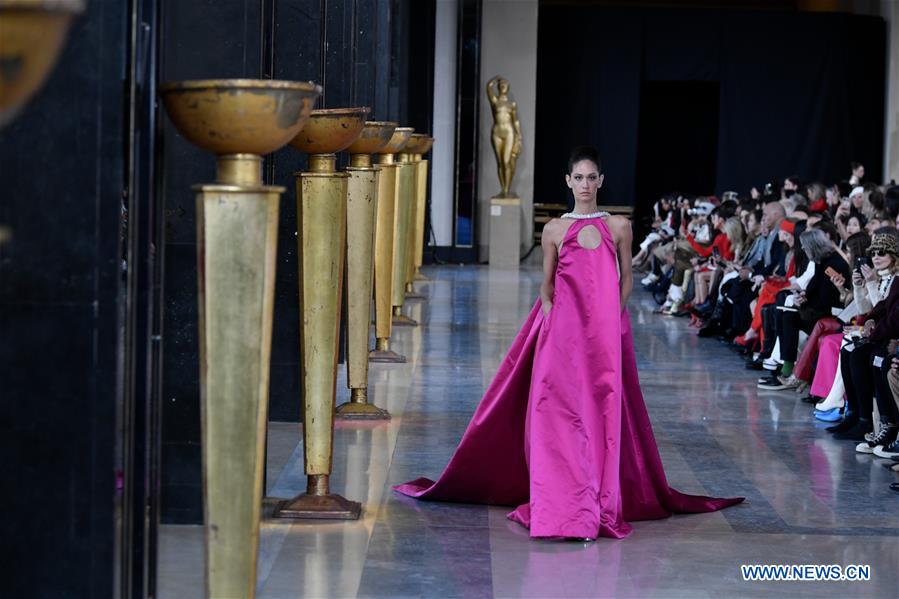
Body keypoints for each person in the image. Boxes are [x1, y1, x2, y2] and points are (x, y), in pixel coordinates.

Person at [393, 146, 743, 540]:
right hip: (562, 332)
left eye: (592, 177)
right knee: (552, 407)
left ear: (601, 181)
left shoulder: (619, 226)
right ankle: (558, 498)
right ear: (568, 181)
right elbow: (547, 285)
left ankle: (596, 496)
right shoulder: (555, 229)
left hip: (605, 334)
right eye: (579, 178)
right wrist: (550, 323)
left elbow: (625, 278)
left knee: (602, 410)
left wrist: (615, 317)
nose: (586, 185)